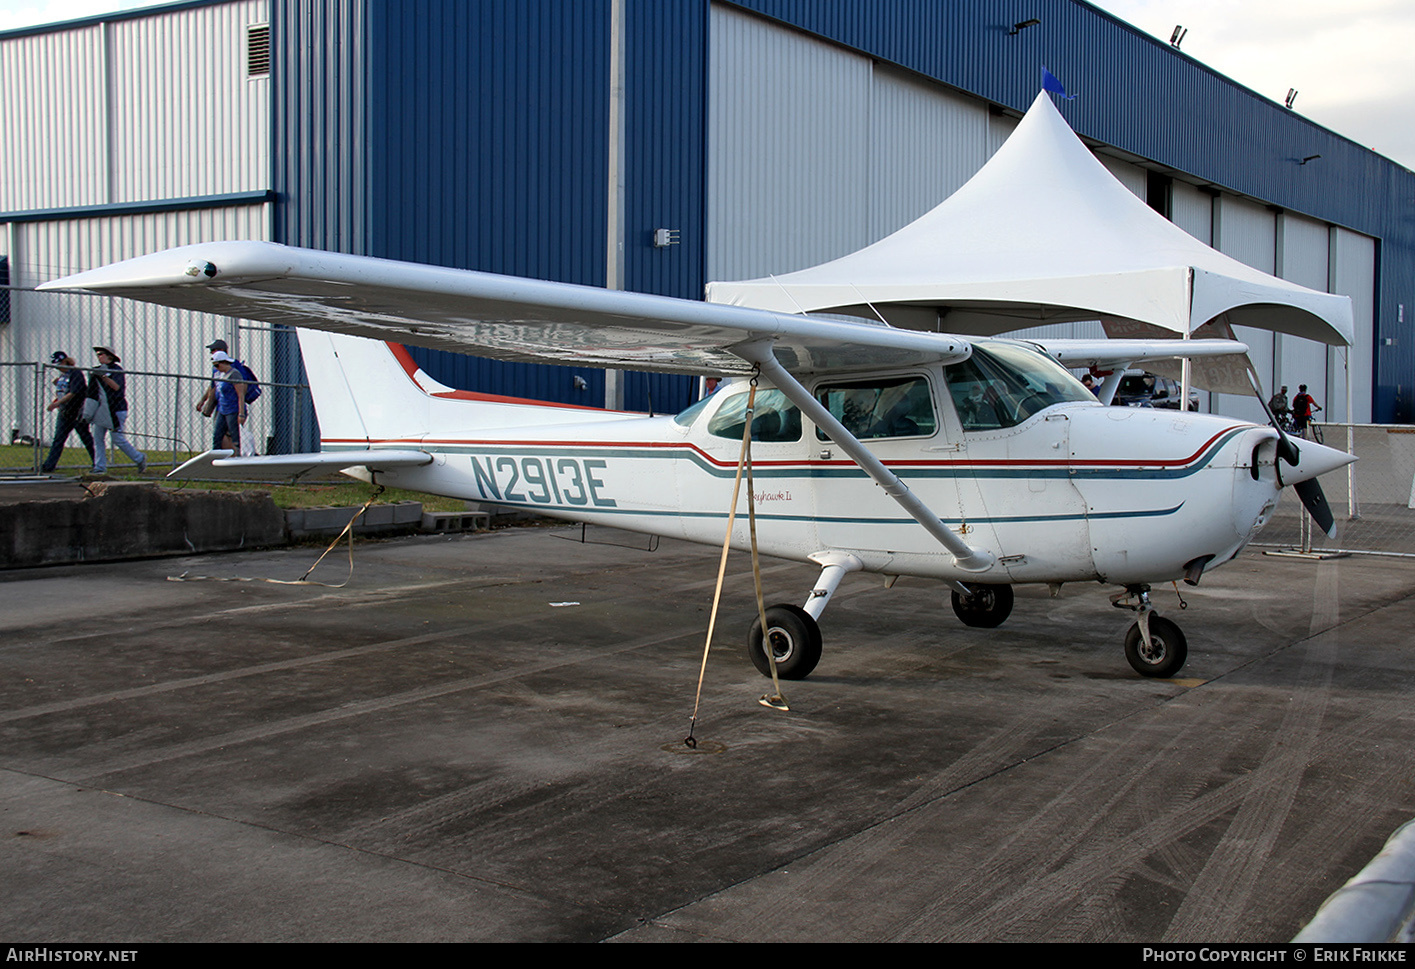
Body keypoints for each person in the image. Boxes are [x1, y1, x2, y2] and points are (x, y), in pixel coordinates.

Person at [88, 346, 146, 474]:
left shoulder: (116, 370)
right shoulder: (97, 370)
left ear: (110, 356)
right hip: (101, 410)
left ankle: (139, 457)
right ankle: (100, 467)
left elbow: (116, 387)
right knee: (98, 438)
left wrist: (104, 377)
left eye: (101, 354)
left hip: (116, 409)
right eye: (97, 354)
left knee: (117, 438)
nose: (99, 356)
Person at [40, 351, 95, 473]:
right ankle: (49, 466)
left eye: (59, 364)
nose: (58, 367)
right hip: (65, 412)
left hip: (76, 411)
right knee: (58, 439)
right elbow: (62, 389)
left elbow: (73, 392)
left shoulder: (75, 373)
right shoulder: (63, 375)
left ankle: (98, 462)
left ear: (65, 361)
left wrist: (56, 404)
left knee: (86, 438)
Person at [208, 350, 249, 452]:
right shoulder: (219, 374)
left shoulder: (235, 374)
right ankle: (215, 456)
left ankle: (238, 456)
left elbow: (240, 395)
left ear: (224, 362)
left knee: (235, 436)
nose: (216, 368)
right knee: (217, 435)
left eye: (217, 365)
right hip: (222, 410)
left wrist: (241, 414)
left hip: (233, 410)